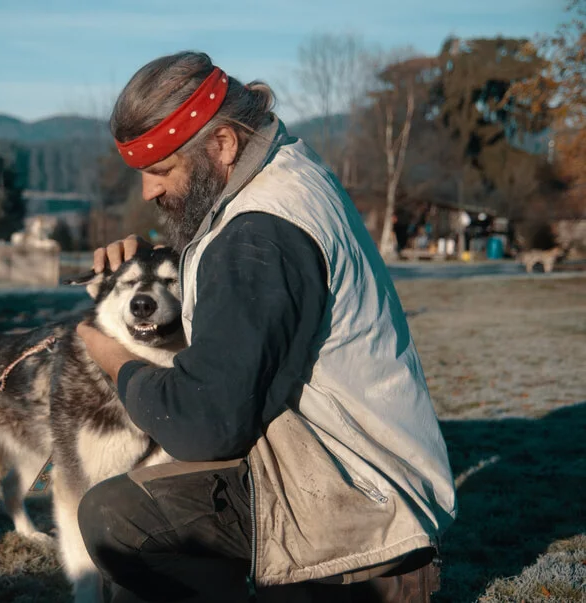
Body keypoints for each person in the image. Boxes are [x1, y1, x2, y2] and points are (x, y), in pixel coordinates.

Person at [74, 51, 457, 603]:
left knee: (114, 518)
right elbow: (242, 306)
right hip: (367, 490)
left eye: (160, 171)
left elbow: (203, 426)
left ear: (223, 144)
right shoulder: (284, 172)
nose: (149, 193)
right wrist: (150, 262)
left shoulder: (260, 235)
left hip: (361, 529)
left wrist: (109, 352)